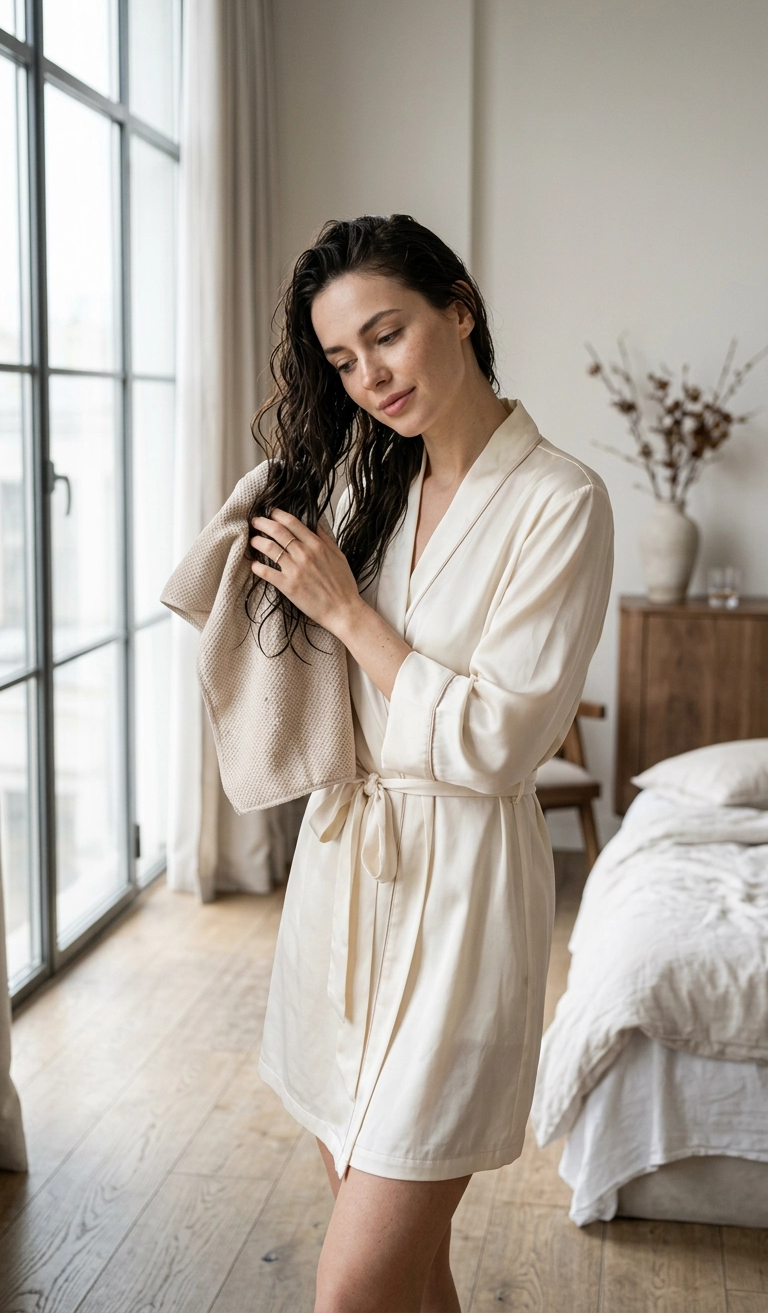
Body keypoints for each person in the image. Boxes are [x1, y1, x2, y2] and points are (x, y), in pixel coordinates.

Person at [248, 215, 614, 1313]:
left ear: (459, 306)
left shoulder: (561, 502)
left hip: (458, 902)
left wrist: (352, 617)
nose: (370, 377)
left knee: (353, 1289)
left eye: (387, 334)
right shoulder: (370, 493)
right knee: (413, 1276)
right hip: (342, 882)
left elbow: (501, 743)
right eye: (343, 361)